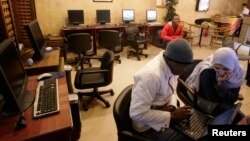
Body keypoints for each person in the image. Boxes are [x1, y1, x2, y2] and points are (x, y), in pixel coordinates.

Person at [129, 39, 195, 141]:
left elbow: (170, 91)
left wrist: (172, 107)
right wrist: (172, 115)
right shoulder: (150, 76)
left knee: (192, 131)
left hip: (162, 111)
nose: (185, 70)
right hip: (147, 126)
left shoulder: (170, 66)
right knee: (185, 138)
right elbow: (137, 113)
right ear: (170, 61)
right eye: (183, 66)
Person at [185, 47, 244, 116]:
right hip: (204, 98)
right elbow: (211, 98)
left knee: (235, 114)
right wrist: (221, 84)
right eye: (217, 68)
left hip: (221, 99)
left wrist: (231, 96)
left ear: (234, 66)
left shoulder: (237, 73)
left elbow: (232, 99)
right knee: (231, 114)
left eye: (226, 69)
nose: (221, 73)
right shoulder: (206, 72)